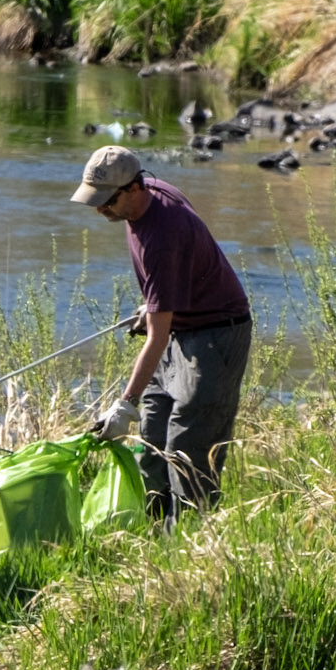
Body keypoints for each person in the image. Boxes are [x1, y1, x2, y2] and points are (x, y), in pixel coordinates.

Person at [70, 145, 251, 526]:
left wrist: (124, 405)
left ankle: (186, 544)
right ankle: (151, 531)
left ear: (134, 188)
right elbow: (190, 255)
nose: (100, 209)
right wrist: (160, 302)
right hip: (181, 324)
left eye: (106, 201)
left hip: (214, 336)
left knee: (187, 447)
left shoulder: (162, 236)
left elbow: (156, 338)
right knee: (151, 438)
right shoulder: (152, 188)